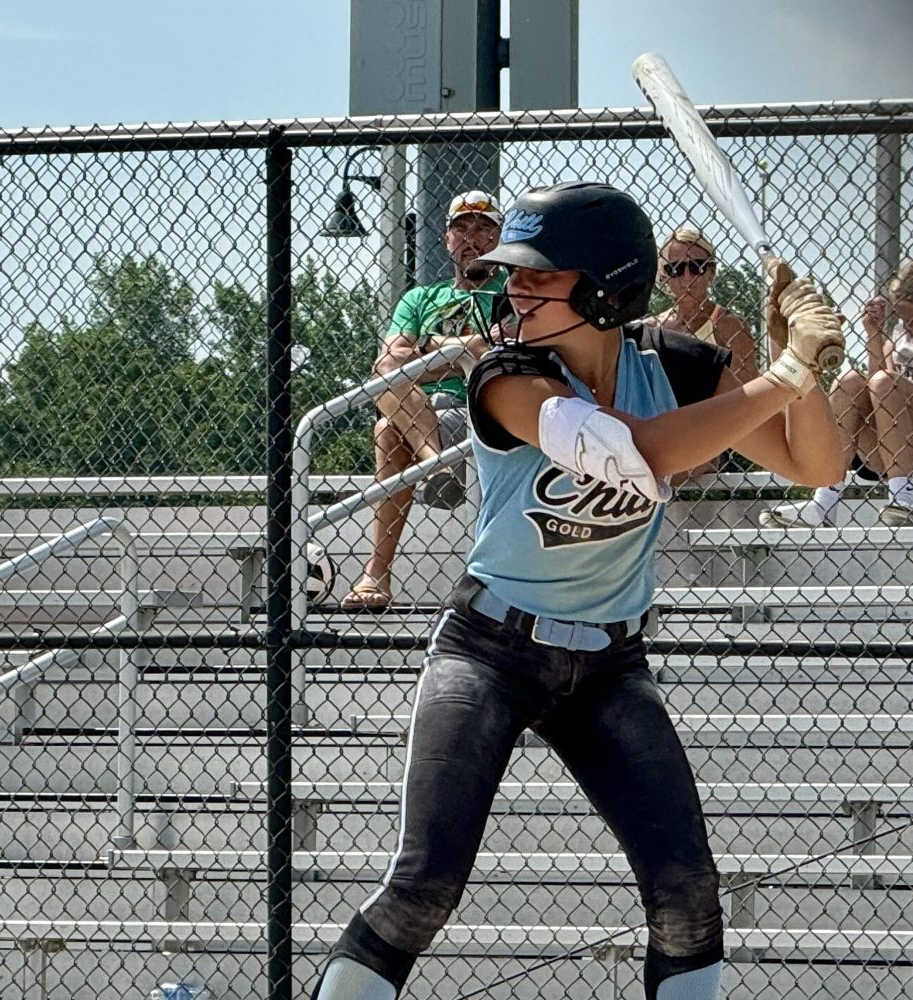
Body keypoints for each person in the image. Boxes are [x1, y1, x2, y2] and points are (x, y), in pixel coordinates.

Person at [311, 182, 845, 1000]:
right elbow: (630, 452)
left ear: (604, 289)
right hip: (490, 652)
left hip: (609, 667)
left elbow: (817, 465)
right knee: (426, 885)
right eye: (513, 273)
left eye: (538, 275)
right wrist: (784, 375)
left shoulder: (675, 365)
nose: (514, 289)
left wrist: (803, 374)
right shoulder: (507, 374)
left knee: (688, 895)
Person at [340, 190, 506, 611]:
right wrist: (461, 349)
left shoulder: (515, 292)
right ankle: (436, 465)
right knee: (387, 406)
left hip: (486, 410)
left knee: (387, 427)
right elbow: (388, 363)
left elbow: (496, 357)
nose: (472, 239)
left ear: (500, 238)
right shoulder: (420, 299)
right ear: (447, 240)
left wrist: (427, 355)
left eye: (484, 229)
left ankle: (377, 572)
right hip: (422, 413)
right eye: (461, 229)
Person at [761, 257, 913, 528]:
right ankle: (824, 502)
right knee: (850, 381)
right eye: (904, 319)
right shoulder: (901, 337)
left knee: (885, 382)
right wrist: (873, 334)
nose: (910, 326)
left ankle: (902, 499)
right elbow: (877, 391)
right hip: (894, 446)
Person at [644, 227, 759, 479]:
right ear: (663, 276)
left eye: (696, 266)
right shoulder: (651, 329)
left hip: (713, 436)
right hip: (660, 431)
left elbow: (749, 396)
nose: (686, 277)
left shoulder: (728, 326)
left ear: (711, 272)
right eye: (675, 269)